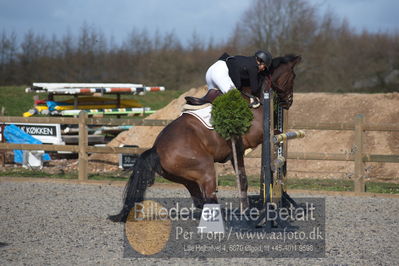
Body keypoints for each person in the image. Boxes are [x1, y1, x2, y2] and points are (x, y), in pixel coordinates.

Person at [185, 50, 272, 107]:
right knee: (235, 100)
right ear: (260, 61)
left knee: (212, 99)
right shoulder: (253, 66)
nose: (263, 69)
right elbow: (254, 88)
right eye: (264, 66)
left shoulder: (246, 60)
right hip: (220, 72)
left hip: (211, 70)